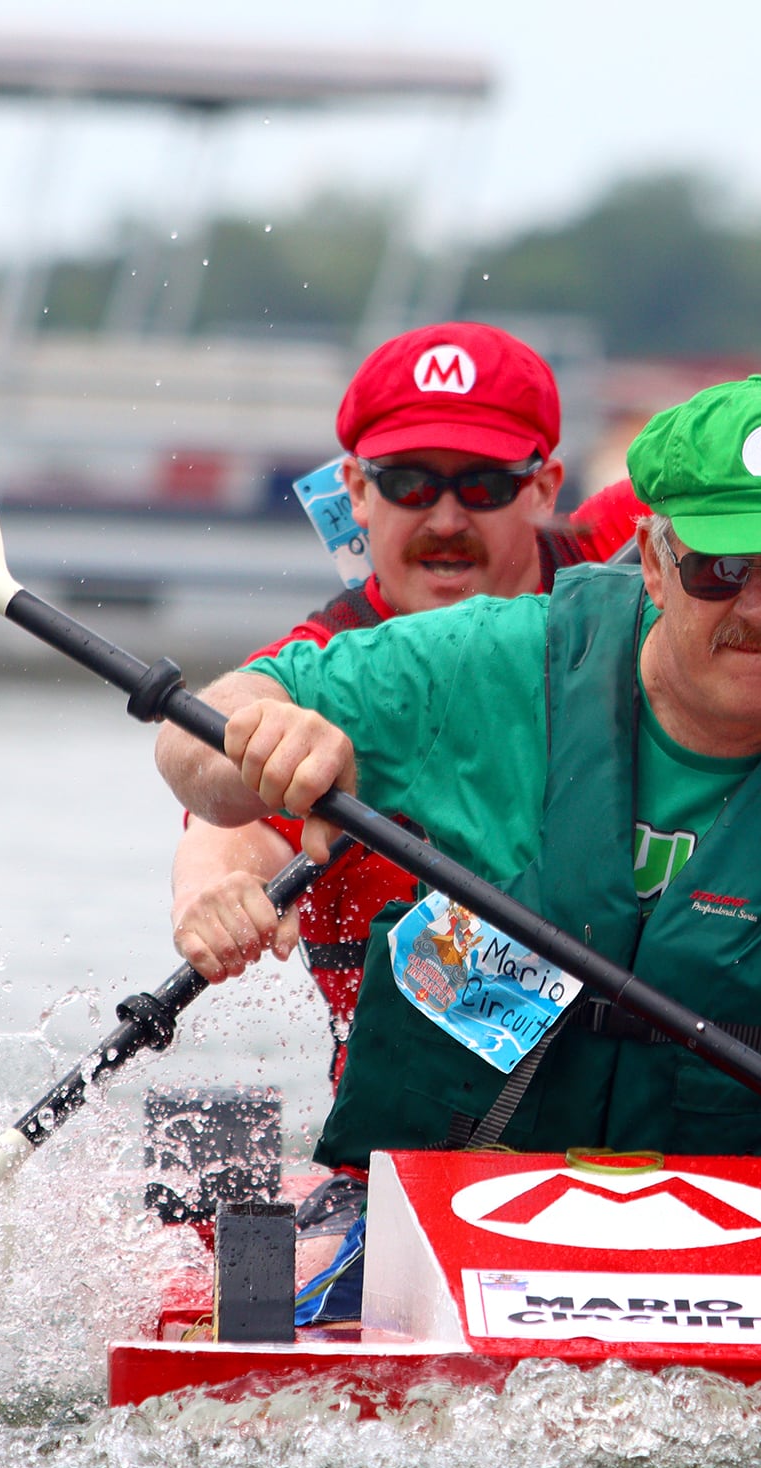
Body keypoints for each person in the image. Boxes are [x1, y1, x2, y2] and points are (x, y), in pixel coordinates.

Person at [155, 376, 761, 1340]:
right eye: (719, 570)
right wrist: (261, 740)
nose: (759, 608)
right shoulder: (487, 665)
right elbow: (194, 735)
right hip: (430, 1223)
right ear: (652, 560)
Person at [169, 322, 648, 1084]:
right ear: (358, 490)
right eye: (410, 484)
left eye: (485, 485)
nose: (447, 520)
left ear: (545, 489)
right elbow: (218, 799)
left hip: (638, 1097)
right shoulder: (327, 674)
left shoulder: (624, 549)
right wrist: (211, 891)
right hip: (413, 1138)